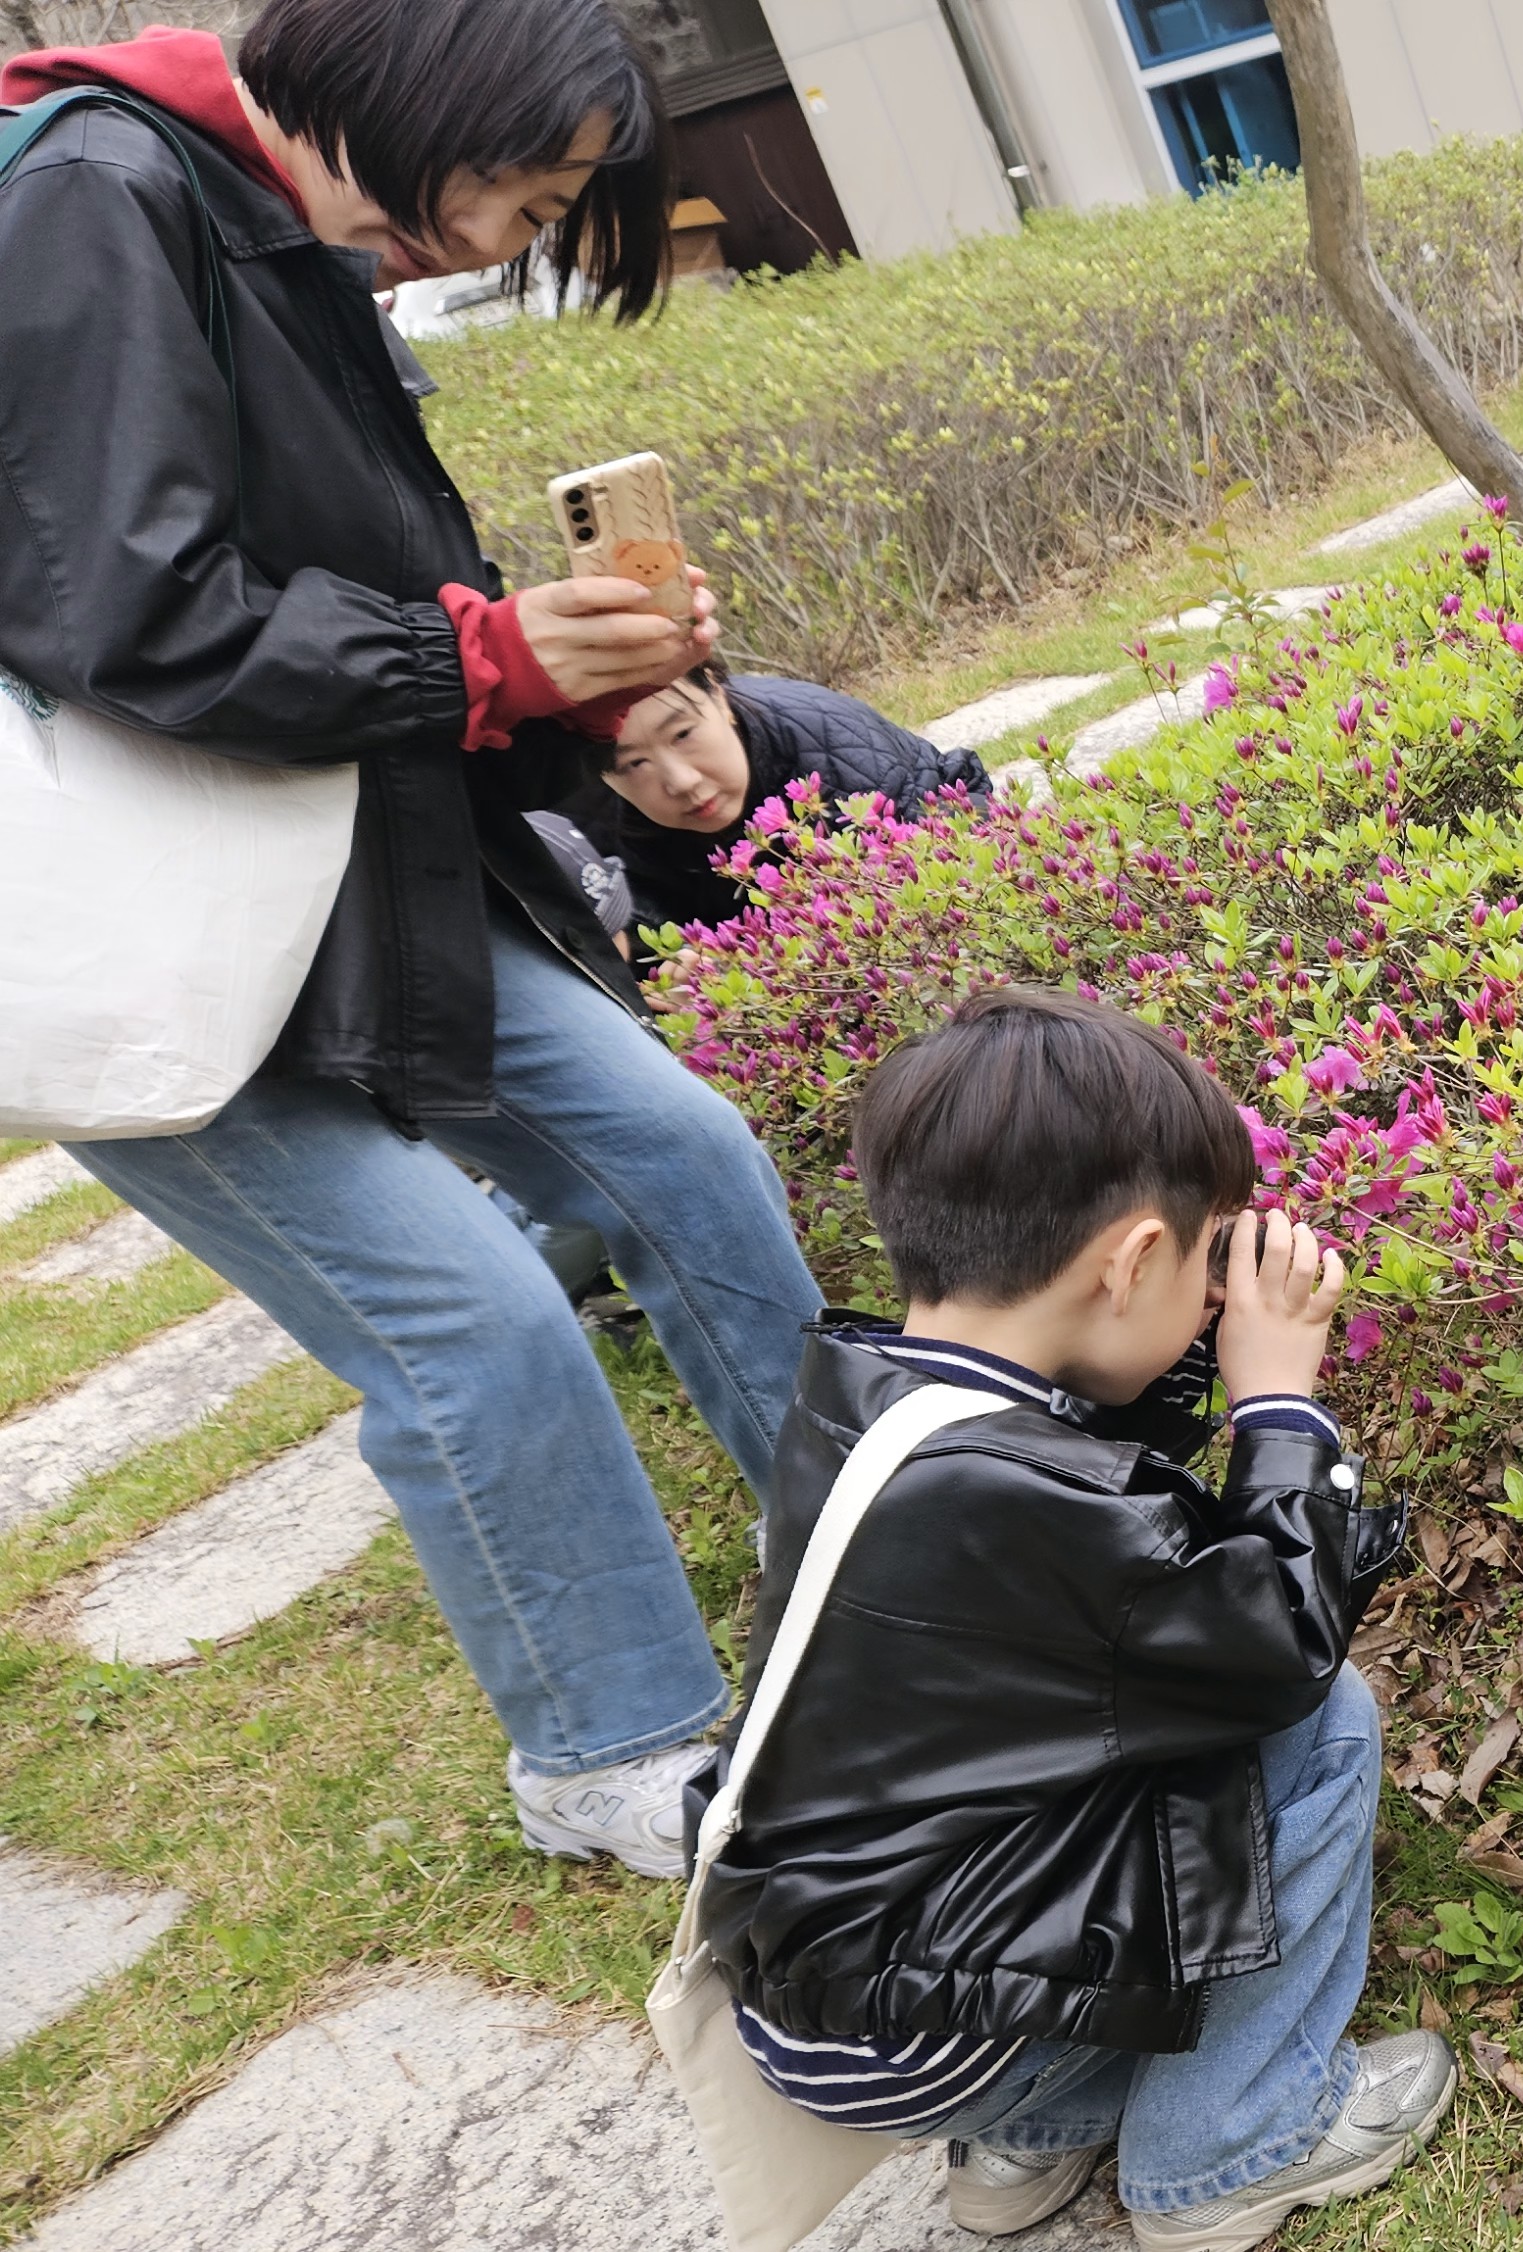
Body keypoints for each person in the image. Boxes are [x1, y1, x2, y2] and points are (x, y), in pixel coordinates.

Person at [0, 0, 822, 1874]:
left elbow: (347, 595)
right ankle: (609, 1750)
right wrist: (482, 655)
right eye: (511, 199)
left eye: (533, 222)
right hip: (146, 946)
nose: (488, 252)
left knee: (681, 1152)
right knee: (477, 1322)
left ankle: (862, 1539)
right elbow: (133, 617)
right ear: (406, 95)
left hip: (353, 874)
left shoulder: (262, 222)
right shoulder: (97, 195)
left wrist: (558, 683)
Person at [699, 990, 1446, 2252]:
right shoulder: (1039, 1491)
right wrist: (1280, 1408)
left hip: (824, 1987)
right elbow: (1272, 1648)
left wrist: (1192, 1354)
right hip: (935, 2028)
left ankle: (1030, 2142)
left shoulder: (868, 1403)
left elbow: (1111, 1544)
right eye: (1208, 1266)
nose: (1218, 1301)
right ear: (1131, 1259)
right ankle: (1232, 2142)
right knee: (1323, 1724)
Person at [580, 660, 992, 945]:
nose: (682, 781)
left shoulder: (838, 756)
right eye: (633, 763)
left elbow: (959, 817)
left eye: (683, 734)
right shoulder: (580, 825)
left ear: (719, 698)